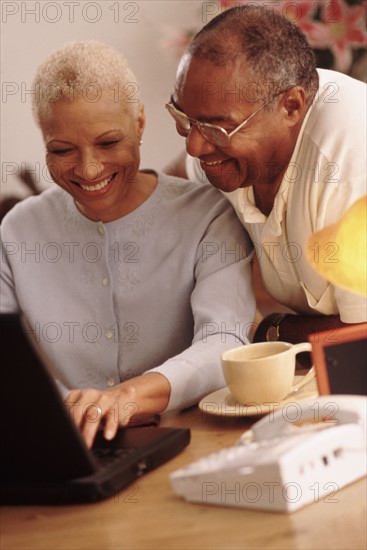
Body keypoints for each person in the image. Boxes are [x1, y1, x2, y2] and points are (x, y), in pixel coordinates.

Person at [0, 41, 256, 447]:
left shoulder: (206, 215)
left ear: (139, 123)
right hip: (69, 452)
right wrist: (63, 410)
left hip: (193, 442)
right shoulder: (17, 232)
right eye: (61, 150)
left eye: (107, 143)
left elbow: (225, 342)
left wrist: (126, 398)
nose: (88, 169)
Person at [165, 4, 367, 345]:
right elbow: (169, 187)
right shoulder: (225, 145)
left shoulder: (348, 161)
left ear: (291, 107)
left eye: (216, 127)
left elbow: (359, 344)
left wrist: (271, 329)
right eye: (184, 118)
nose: (195, 147)